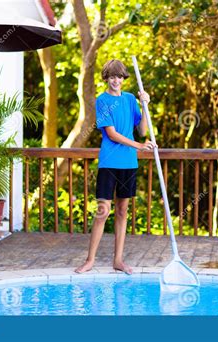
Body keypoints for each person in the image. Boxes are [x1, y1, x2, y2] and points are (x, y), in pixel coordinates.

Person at [75, 59, 156, 274]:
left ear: (123, 78)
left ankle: (118, 260)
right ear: (106, 78)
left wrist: (145, 106)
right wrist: (139, 146)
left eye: (119, 77)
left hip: (129, 163)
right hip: (109, 163)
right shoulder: (102, 101)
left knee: (122, 211)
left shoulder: (130, 100)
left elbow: (141, 129)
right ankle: (90, 260)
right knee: (103, 211)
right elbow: (111, 133)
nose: (116, 80)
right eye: (112, 76)